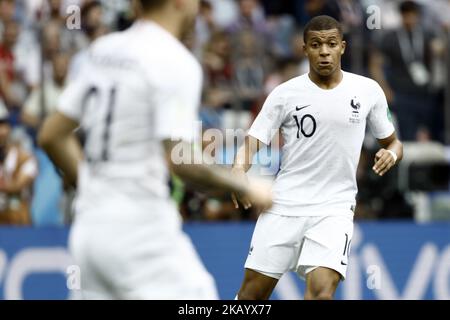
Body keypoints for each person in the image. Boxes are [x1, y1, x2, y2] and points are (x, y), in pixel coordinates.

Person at [38, 0, 272, 300]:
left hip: (89, 232)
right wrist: (246, 186)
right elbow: (181, 161)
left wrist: (91, 188)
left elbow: (51, 135)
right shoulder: (175, 60)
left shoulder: (102, 50)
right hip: (141, 233)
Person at [231, 15, 403, 300]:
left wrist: (392, 154)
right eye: (316, 44)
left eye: (331, 44)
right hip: (284, 205)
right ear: (305, 49)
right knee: (251, 296)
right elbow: (253, 141)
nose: (324, 51)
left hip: (334, 209)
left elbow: (394, 142)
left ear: (343, 47)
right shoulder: (284, 94)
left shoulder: (368, 90)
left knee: (322, 292)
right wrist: (238, 170)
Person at [0, 104, 38, 225]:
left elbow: (18, 186)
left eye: (2, 126)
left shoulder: (25, 158)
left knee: (17, 207)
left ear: (9, 128)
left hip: (17, 221)